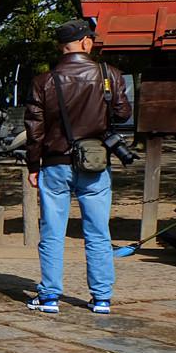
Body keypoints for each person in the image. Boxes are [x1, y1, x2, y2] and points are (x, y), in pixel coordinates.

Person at [24, 18, 132, 315]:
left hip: (55, 164)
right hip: (95, 163)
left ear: (62, 47)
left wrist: (33, 165)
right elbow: (123, 114)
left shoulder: (43, 81)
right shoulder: (108, 74)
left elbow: (35, 129)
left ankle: (48, 297)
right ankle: (101, 298)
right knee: (98, 232)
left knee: (52, 232)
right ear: (85, 43)